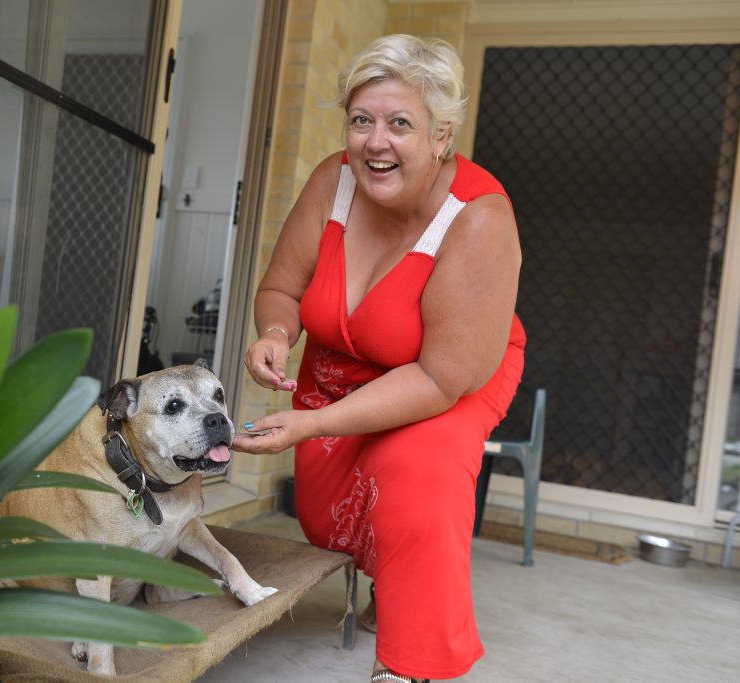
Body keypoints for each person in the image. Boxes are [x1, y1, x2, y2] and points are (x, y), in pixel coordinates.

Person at [231, 34, 525, 682]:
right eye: (362, 120)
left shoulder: (478, 219)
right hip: (343, 362)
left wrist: (309, 423)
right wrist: (276, 333)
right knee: (323, 509)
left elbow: (440, 375)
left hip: (451, 367)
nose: (375, 141)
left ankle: (412, 663)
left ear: (441, 136)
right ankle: (396, 575)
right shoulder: (332, 181)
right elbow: (281, 287)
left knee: (416, 474)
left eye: (400, 124)